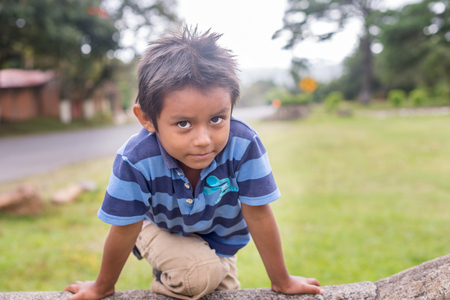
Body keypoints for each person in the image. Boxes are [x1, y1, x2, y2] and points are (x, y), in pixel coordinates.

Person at [64, 26, 324, 300]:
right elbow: (124, 226)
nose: (203, 139)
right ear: (147, 119)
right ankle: (170, 278)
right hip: (153, 225)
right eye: (183, 123)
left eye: (216, 119)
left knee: (216, 289)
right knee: (200, 276)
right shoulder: (136, 159)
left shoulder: (244, 145)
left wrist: (282, 280)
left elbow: (258, 213)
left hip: (218, 242)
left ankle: (194, 269)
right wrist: (102, 287)